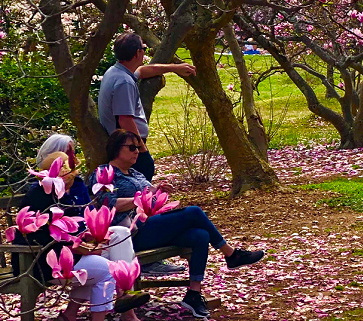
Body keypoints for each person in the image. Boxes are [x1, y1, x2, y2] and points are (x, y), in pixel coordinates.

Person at [90, 130, 265, 318]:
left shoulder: (135, 173)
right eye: (132, 147)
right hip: (128, 234)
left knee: (200, 235)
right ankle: (231, 254)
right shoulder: (104, 173)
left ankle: (193, 294)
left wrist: (157, 193)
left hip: (150, 225)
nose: (137, 152)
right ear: (116, 148)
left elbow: (148, 202)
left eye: (138, 148)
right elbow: (107, 204)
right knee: (194, 212)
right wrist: (138, 199)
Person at [18, 145, 150, 321]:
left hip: (75, 249)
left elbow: (83, 219)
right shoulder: (42, 195)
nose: (68, 178)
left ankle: (124, 293)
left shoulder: (75, 187)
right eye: (64, 173)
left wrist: (91, 235)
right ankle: (104, 313)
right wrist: (85, 248)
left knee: (121, 232)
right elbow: (50, 236)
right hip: (45, 259)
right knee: (107, 268)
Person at [97, 32, 195, 182]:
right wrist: (140, 149)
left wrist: (174, 68)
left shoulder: (116, 71)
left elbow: (142, 71)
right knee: (143, 178)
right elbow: (125, 120)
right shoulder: (124, 82)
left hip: (124, 144)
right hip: (126, 146)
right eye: (143, 47)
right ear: (138, 52)